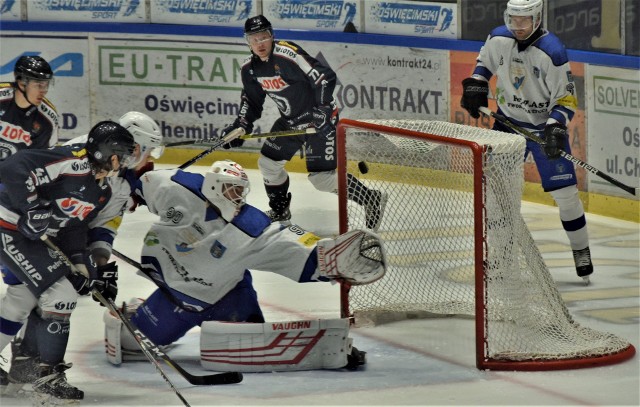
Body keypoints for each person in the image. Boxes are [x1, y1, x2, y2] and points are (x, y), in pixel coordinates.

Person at [102, 160, 386, 370]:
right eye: (229, 190)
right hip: (174, 298)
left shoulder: (251, 225)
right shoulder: (176, 187)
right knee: (128, 342)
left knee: (252, 341)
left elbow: (290, 245)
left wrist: (329, 258)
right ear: (212, 186)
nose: (236, 198)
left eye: (240, 192)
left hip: (230, 298)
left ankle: (317, 347)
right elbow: (138, 181)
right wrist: (123, 191)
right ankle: (140, 311)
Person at [0, 121, 136, 403]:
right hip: (7, 225)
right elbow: (14, 167)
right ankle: (47, 379)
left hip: (29, 238)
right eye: (120, 154)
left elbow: (73, 228)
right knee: (60, 296)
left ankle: (43, 373)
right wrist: (32, 208)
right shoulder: (73, 163)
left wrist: (82, 265)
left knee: (23, 297)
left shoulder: (102, 190)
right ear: (106, 153)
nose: (123, 161)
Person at [460, 0, 592, 283]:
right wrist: (476, 83)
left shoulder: (553, 52)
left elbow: (565, 99)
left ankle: (581, 250)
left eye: (525, 20)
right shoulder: (498, 38)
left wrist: (555, 128)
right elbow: (484, 64)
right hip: (507, 127)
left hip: (544, 132)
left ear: (538, 18)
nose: (519, 27)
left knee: (566, 195)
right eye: (514, 20)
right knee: (498, 195)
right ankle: (501, 257)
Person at [221, 15, 387, 231]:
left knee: (322, 179)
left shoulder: (288, 54)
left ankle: (371, 198)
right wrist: (241, 125)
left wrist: (324, 110)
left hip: (319, 121)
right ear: (247, 42)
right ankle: (281, 211)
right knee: (268, 164)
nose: (260, 44)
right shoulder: (249, 69)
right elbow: (252, 101)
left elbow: (325, 77)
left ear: (272, 36)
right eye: (254, 39)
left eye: (263, 37)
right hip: (291, 122)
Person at [0, 55, 58, 163]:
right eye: (39, 85)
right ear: (22, 83)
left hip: (12, 175)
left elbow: (40, 161)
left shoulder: (47, 119)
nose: (44, 91)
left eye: (46, 85)